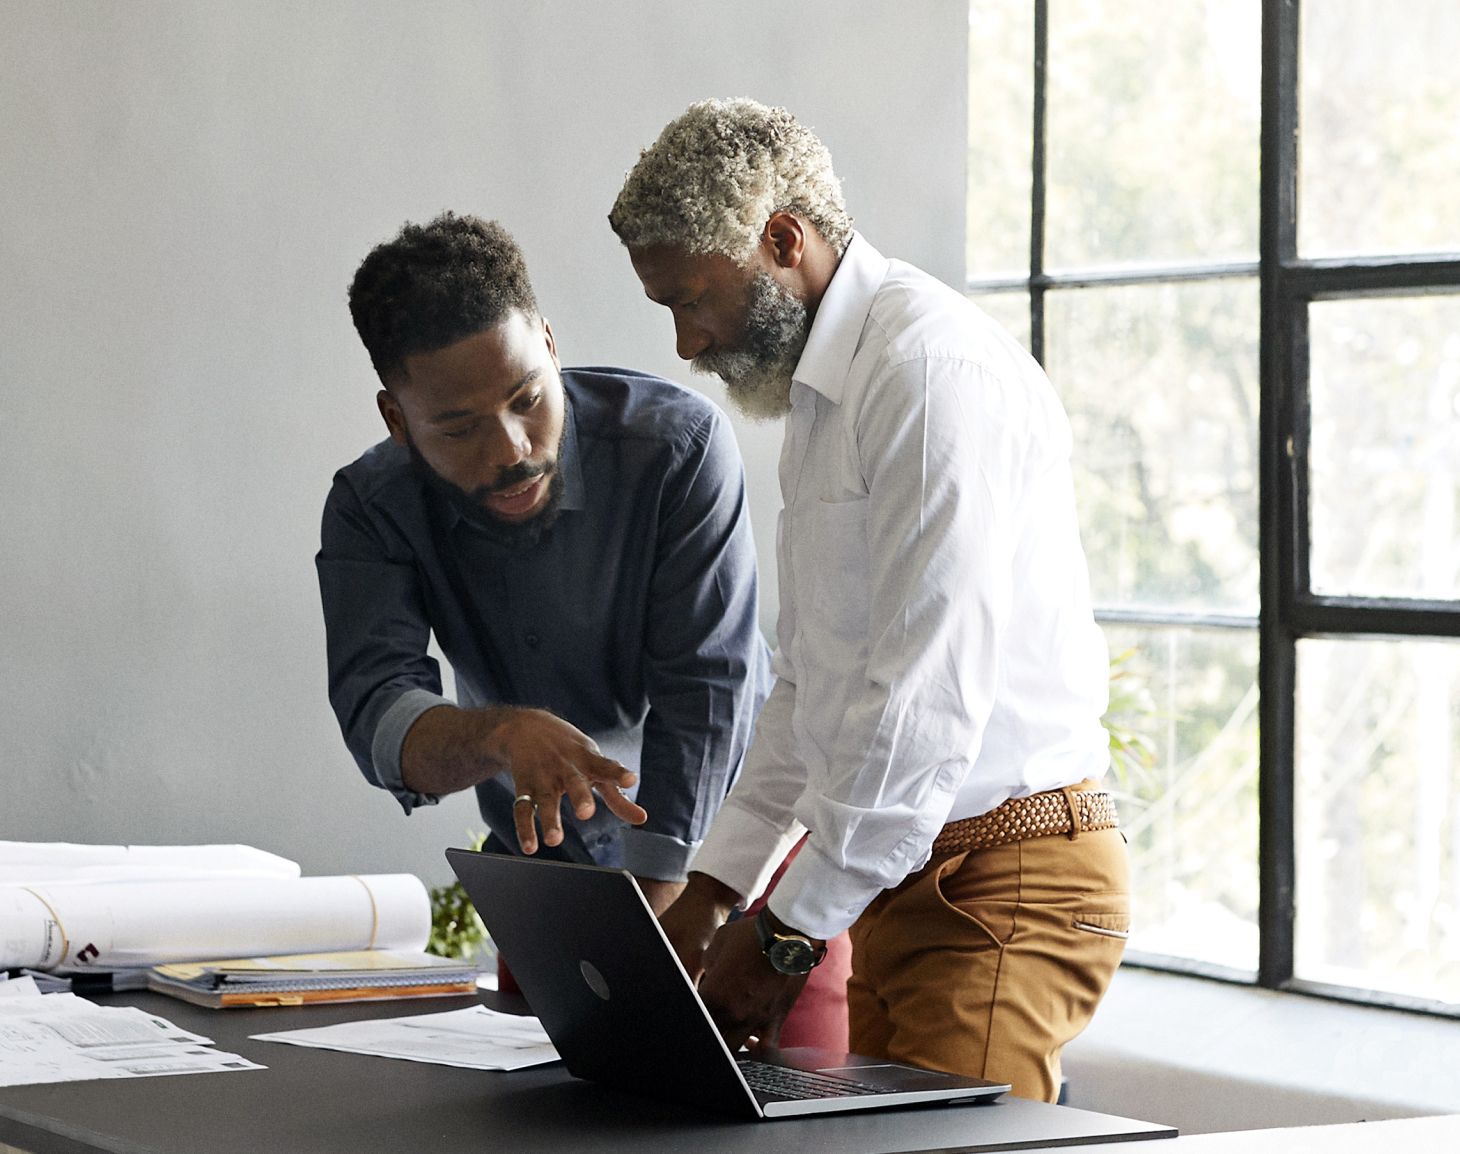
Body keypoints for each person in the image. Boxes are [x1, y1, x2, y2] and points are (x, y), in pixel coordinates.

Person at [608, 98, 1130, 1101]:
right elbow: (807, 691)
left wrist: (784, 933)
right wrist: (711, 890)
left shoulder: (925, 372)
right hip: (901, 876)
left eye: (691, 298)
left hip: (1006, 876)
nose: (682, 341)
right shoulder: (818, 399)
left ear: (781, 238)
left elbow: (923, 699)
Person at [317, 212, 850, 1046]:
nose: (511, 449)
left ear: (550, 344)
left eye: (527, 397)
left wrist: (666, 922)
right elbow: (377, 717)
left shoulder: (677, 446)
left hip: (741, 882)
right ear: (396, 417)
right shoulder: (369, 507)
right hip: (551, 899)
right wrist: (500, 735)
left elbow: (704, 690)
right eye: (458, 428)